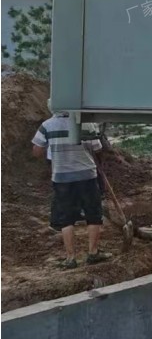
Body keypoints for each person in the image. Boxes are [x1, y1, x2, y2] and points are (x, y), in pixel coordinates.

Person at [32, 107, 111, 269]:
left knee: (66, 218)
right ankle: (93, 253)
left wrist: (54, 147)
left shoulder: (47, 125)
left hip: (62, 177)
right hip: (87, 175)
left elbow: (37, 151)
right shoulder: (87, 124)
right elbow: (98, 149)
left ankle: (70, 258)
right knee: (93, 214)